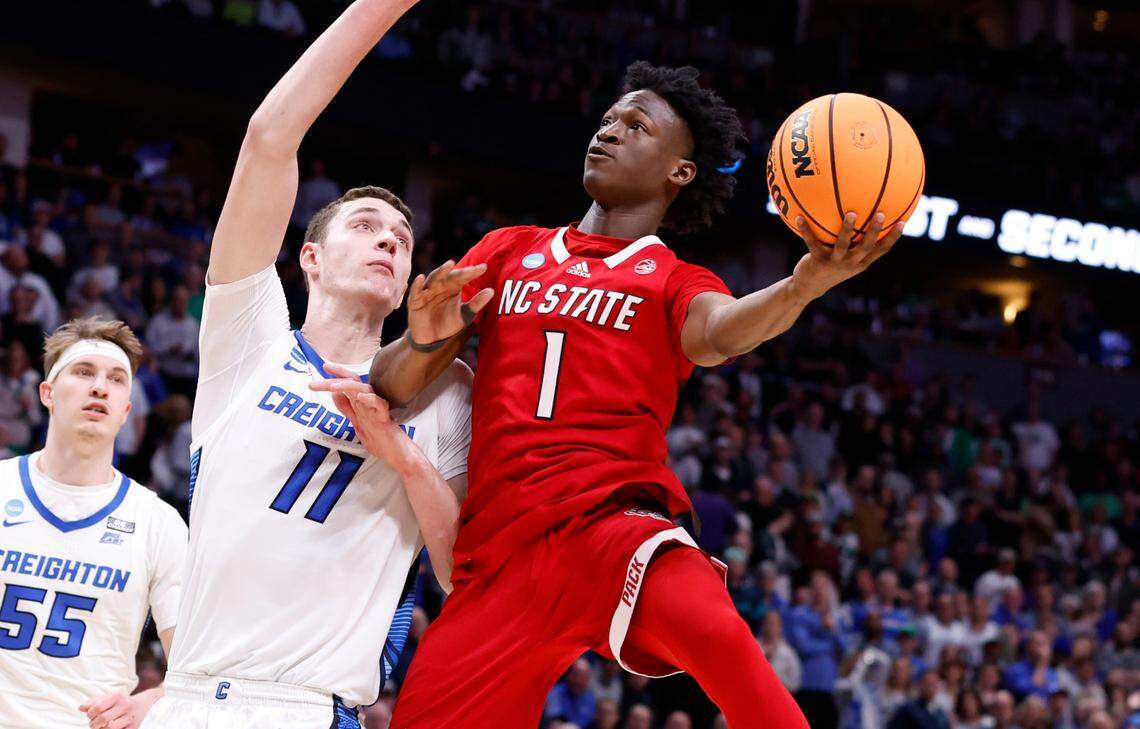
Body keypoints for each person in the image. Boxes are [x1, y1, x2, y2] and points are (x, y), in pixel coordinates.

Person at [362, 60, 903, 728]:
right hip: (500, 561)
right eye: (610, 119)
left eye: (637, 125)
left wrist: (801, 286)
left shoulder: (672, 279)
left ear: (680, 170)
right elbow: (387, 385)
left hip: (611, 532)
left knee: (722, 638)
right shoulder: (509, 251)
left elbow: (723, 333)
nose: (610, 131)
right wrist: (421, 340)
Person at [140, 2, 471, 727]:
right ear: (311, 258)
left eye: (403, 237)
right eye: (365, 226)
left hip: (306, 705)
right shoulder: (249, 338)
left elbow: (457, 571)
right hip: (186, 694)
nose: (389, 240)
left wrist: (403, 457)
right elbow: (268, 137)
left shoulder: (446, 390)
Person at [0, 317, 187, 728]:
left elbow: (194, 672)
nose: (100, 386)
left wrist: (148, 702)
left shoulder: (158, 522)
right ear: (47, 393)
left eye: (117, 379)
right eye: (84, 372)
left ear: (126, 411)